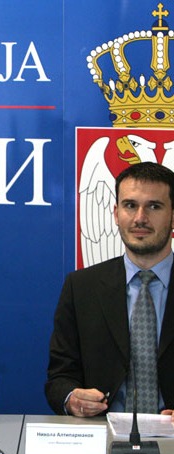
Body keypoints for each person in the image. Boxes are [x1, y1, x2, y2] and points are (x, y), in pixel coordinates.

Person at [46, 162, 174, 417]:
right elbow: (59, 378)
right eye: (130, 205)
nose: (140, 218)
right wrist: (72, 398)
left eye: (154, 206)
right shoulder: (81, 287)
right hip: (102, 432)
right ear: (116, 214)